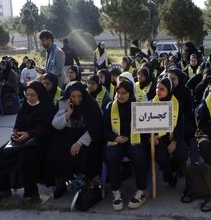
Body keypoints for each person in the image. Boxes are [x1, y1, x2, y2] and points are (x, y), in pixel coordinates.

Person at [0, 81, 55, 203]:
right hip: (22, 139)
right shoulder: (25, 106)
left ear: (40, 95)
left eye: (33, 95)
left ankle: (32, 194)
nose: (29, 98)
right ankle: (3, 190)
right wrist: (15, 132)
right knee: (1, 153)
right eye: (27, 94)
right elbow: (18, 123)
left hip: (41, 141)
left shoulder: (48, 107)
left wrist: (29, 134)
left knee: (27, 157)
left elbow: (46, 128)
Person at [46, 81, 103, 199]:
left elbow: (95, 127)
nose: (77, 100)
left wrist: (79, 143)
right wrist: (67, 113)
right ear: (69, 96)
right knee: (56, 151)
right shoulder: (63, 102)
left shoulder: (90, 103)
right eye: (73, 96)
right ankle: (60, 184)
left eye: (79, 96)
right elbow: (56, 125)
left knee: (87, 152)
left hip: (87, 135)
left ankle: (85, 183)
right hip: (67, 133)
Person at [103, 80, 149, 211]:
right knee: (111, 157)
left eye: (124, 93)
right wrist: (115, 137)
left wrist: (151, 139)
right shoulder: (110, 107)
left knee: (139, 155)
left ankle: (141, 192)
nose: (120, 96)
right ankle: (116, 193)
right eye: (118, 92)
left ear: (130, 93)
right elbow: (104, 130)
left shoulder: (138, 106)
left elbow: (146, 127)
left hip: (134, 140)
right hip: (117, 141)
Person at [153, 77, 187, 187]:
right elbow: (147, 124)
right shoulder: (152, 103)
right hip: (159, 138)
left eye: (162, 89)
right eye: (157, 88)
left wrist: (174, 141)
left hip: (173, 136)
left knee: (182, 154)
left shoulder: (176, 103)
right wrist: (153, 137)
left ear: (169, 90)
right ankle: (169, 176)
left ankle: (171, 169)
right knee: (162, 157)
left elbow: (179, 124)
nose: (158, 91)